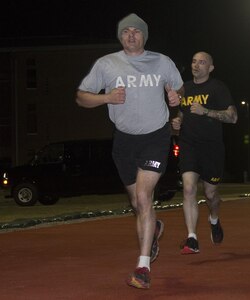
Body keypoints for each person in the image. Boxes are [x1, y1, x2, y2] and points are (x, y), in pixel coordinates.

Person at [75, 13, 184, 289]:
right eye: (126, 32)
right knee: (137, 204)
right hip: (124, 140)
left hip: (155, 137)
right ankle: (155, 228)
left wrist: (176, 96)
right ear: (120, 36)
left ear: (144, 36)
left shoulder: (162, 61)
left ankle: (143, 266)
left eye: (136, 31)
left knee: (145, 198)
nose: (131, 35)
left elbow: (179, 87)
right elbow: (81, 97)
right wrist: (107, 97)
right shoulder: (107, 64)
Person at [171, 51, 237, 254]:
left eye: (202, 62)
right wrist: (177, 123)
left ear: (210, 68)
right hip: (189, 145)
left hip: (212, 148)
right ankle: (192, 238)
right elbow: (181, 113)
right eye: (193, 61)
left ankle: (214, 219)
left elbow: (232, 117)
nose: (196, 65)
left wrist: (206, 111)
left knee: (210, 194)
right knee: (189, 188)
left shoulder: (218, 87)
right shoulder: (185, 88)